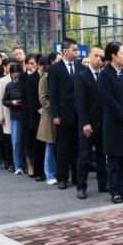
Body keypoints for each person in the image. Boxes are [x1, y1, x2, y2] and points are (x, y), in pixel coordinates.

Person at [99, 42, 123, 204]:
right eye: (121, 53)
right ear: (113, 55)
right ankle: (114, 191)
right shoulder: (105, 74)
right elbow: (109, 100)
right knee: (114, 161)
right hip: (115, 124)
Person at [74, 46, 107, 199]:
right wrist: (85, 123)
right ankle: (81, 187)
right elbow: (80, 103)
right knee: (84, 156)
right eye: (96, 56)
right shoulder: (82, 77)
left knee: (102, 155)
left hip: (103, 124)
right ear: (89, 56)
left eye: (101, 56)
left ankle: (103, 184)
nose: (99, 59)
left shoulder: (105, 76)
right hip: (88, 124)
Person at [47, 38, 80, 189]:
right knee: (63, 148)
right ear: (65, 51)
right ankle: (62, 177)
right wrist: (55, 115)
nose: (77, 52)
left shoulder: (80, 67)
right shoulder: (55, 69)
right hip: (62, 114)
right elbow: (52, 94)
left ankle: (77, 177)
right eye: (74, 50)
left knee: (77, 147)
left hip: (78, 114)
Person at [37, 54, 58, 185]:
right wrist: (56, 110)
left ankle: (60, 172)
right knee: (50, 146)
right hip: (50, 116)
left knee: (60, 146)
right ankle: (50, 174)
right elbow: (43, 99)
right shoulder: (44, 78)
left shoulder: (58, 76)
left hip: (61, 115)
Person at [2, 63, 27, 174]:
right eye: (13, 73)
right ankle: (18, 166)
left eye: (18, 73)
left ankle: (27, 164)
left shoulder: (26, 84)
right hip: (15, 116)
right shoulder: (9, 86)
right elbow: (4, 101)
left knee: (27, 142)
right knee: (16, 142)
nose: (16, 75)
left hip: (26, 116)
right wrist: (12, 102)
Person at [24, 54, 44, 180]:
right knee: (37, 145)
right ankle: (38, 172)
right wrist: (40, 110)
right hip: (36, 115)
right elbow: (30, 98)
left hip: (49, 115)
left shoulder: (50, 76)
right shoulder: (31, 78)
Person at [0, 57, 16, 171]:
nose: (12, 68)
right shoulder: (3, 80)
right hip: (7, 112)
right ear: (5, 67)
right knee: (8, 137)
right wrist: (0, 115)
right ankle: (10, 162)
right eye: (10, 65)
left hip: (19, 112)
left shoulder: (21, 77)